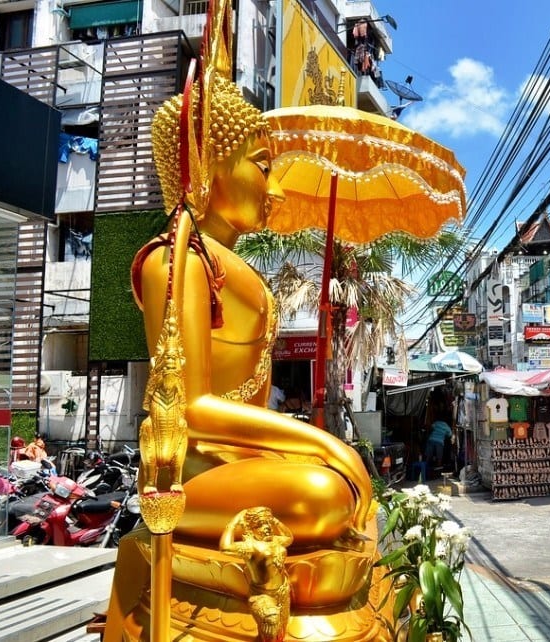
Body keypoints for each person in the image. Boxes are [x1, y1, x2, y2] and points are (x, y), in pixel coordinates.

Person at [106, 31, 377, 636]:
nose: (274, 189)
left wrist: (320, 445)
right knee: (321, 493)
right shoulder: (173, 259)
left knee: (345, 497)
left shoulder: (237, 268)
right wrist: (326, 445)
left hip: (244, 465)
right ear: (206, 162)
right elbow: (194, 410)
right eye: (261, 167)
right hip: (192, 472)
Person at [219, 507, 293, 642]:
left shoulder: (275, 540)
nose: (267, 527)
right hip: (262, 595)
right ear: (251, 529)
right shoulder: (250, 546)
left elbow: (289, 538)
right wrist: (233, 524)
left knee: (281, 629)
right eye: (260, 525)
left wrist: (275, 521)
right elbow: (225, 547)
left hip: (282, 591)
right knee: (271, 621)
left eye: (267, 523)